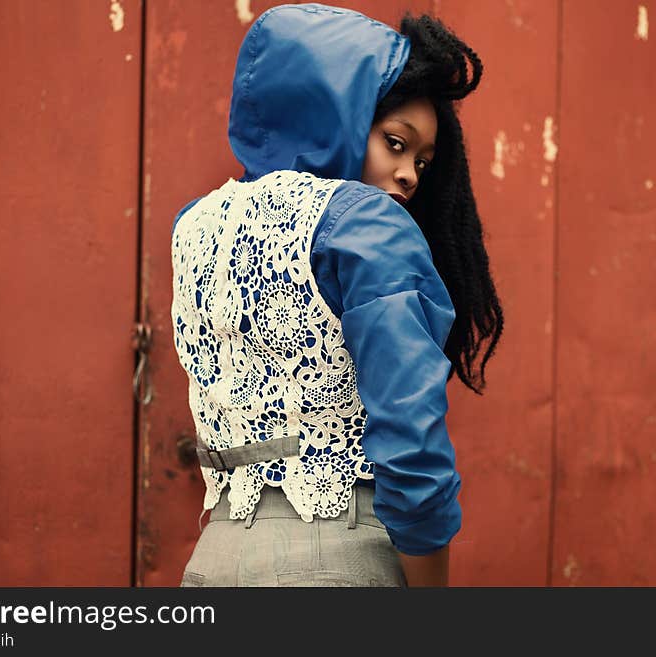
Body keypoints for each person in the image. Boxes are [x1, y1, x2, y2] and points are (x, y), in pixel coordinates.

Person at [170, 3, 503, 587]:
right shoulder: (366, 224)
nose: (411, 176)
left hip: (214, 558)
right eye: (396, 144)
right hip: (335, 562)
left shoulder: (196, 225)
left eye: (423, 161)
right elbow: (409, 443)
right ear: (336, 114)